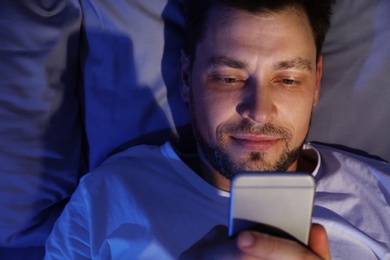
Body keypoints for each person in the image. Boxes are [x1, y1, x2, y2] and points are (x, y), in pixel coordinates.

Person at [45, 0, 390, 259]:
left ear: (315, 84)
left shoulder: (382, 198)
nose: (258, 111)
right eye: (228, 78)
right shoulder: (106, 196)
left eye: (287, 79)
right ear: (185, 77)